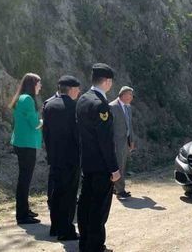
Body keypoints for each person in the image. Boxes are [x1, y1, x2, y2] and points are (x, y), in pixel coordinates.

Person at [76, 63, 121, 252]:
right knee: (99, 208)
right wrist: (114, 169)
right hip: (101, 166)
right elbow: (105, 142)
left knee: (85, 204)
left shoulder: (83, 99)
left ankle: (84, 243)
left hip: (86, 163)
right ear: (108, 81)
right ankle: (94, 246)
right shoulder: (101, 105)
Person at [43, 75, 82, 240]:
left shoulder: (49, 105)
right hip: (71, 158)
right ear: (72, 89)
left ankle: (55, 227)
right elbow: (78, 135)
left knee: (56, 193)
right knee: (69, 195)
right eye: (78, 89)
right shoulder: (74, 107)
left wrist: (51, 153)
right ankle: (66, 230)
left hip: (55, 157)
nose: (79, 92)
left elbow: (46, 133)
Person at [8, 73, 43, 224]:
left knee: (24, 178)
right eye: (38, 84)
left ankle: (24, 209)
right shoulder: (28, 99)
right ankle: (22, 215)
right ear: (32, 84)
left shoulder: (22, 98)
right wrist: (43, 120)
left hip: (22, 143)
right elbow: (34, 123)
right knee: (24, 179)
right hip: (26, 144)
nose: (40, 87)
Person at [109, 86, 136, 200]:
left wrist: (132, 141)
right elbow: (108, 128)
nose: (132, 97)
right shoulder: (112, 106)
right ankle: (120, 191)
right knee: (118, 165)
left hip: (125, 142)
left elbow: (129, 125)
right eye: (130, 94)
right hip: (115, 142)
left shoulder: (128, 107)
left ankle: (116, 188)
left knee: (122, 164)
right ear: (124, 95)